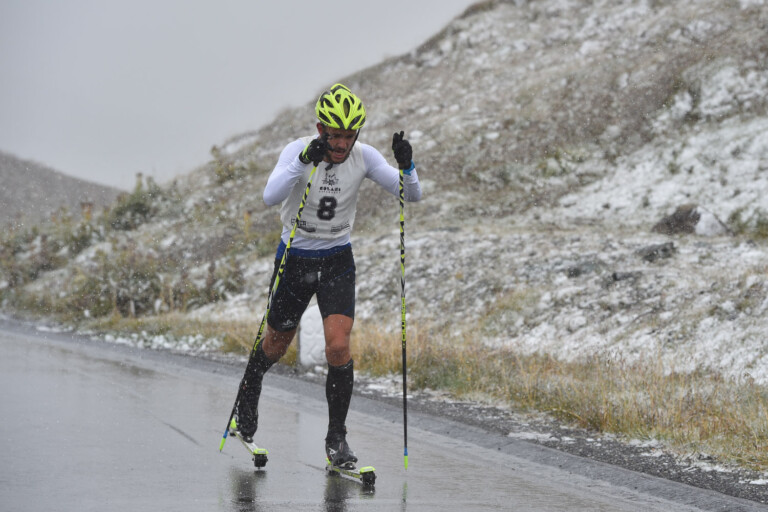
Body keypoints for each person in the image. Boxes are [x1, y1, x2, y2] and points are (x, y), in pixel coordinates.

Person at [231, 83, 422, 468]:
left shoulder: (364, 157)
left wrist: (407, 167)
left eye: (349, 136)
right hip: (296, 259)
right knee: (276, 345)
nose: (342, 144)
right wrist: (303, 161)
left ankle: (337, 441)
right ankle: (247, 397)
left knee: (338, 346)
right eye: (335, 135)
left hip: (337, 260)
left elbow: (410, 195)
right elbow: (270, 197)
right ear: (321, 129)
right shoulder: (297, 150)